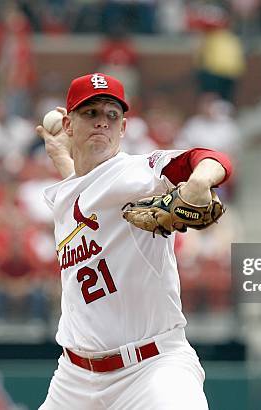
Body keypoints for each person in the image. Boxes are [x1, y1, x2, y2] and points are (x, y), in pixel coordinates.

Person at [35, 73, 232, 409]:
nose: (102, 123)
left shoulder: (135, 173)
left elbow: (209, 158)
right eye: (90, 113)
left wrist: (199, 182)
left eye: (112, 115)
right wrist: (61, 156)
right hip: (75, 379)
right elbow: (83, 188)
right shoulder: (70, 190)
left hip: (151, 368)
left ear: (123, 129)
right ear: (68, 125)